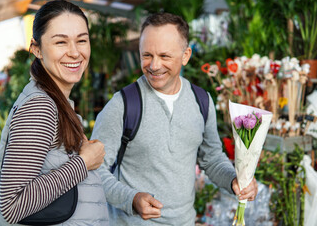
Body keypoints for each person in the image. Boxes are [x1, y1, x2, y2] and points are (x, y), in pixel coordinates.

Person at [91, 12, 258, 225]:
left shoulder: (202, 101)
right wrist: (131, 199)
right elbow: (94, 171)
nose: (154, 65)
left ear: (186, 55)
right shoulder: (123, 104)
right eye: (147, 55)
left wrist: (234, 180)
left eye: (165, 56)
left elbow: (212, 157)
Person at [0, 0, 109, 225]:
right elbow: (13, 204)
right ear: (37, 49)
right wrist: (84, 162)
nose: (75, 52)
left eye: (82, 40)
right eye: (61, 42)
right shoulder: (40, 107)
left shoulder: (55, 102)